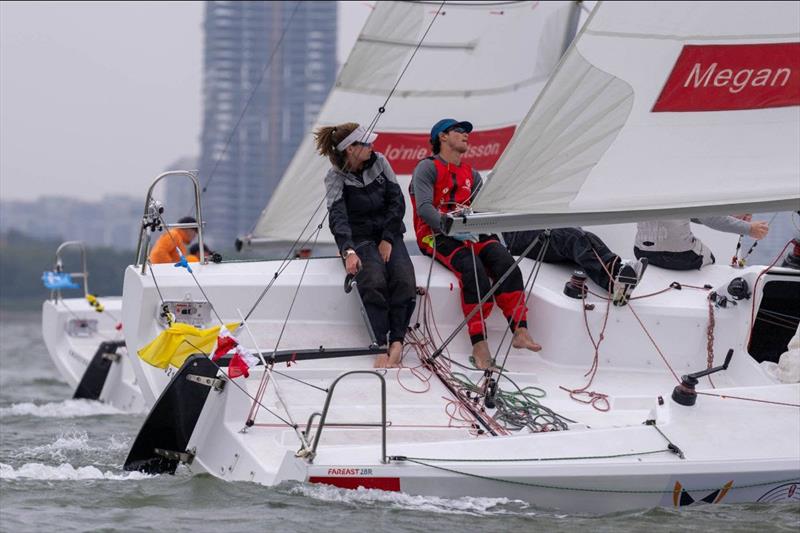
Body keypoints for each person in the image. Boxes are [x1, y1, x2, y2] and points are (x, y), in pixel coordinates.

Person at [410, 118, 541, 370]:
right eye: (459, 131)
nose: (466, 135)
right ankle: (479, 344)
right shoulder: (427, 168)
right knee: (473, 270)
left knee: (507, 264)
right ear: (442, 137)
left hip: (470, 232)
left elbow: (482, 210)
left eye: (467, 132)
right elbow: (425, 209)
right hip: (435, 235)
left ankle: (520, 331)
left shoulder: (472, 174)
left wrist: (482, 228)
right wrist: (450, 228)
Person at [316, 122, 417, 368]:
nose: (372, 146)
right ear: (351, 149)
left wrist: (387, 239)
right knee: (373, 281)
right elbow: (338, 217)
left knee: (404, 279)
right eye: (366, 143)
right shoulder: (334, 178)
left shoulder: (380, 162)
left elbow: (397, 202)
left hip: (388, 234)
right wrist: (348, 251)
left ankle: (398, 340)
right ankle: (381, 344)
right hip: (359, 239)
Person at [503, 229, 647, 304]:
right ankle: (614, 278)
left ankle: (616, 277)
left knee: (583, 238)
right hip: (518, 233)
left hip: (539, 222)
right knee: (574, 237)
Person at [635, 216, 769, 270]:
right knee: (709, 257)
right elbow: (710, 218)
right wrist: (749, 229)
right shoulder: (686, 181)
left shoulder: (650, 179)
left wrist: (730, 216)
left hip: (642, 252)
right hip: (680, 256)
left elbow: (690, 213)